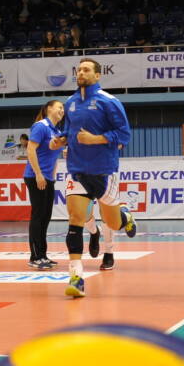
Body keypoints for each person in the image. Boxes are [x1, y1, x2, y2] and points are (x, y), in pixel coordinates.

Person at [60, 58, 135, 298]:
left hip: (104, 170)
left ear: (98, 75)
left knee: (112, 223)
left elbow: (124, 134)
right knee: (75, 219)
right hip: (77, 170)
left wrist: (96, 139)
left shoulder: (109, 101)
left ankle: (124, 216)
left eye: (86, 69)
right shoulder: (70, 102)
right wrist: (59, 140)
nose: (80, 73)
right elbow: (68, 131)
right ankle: (76, 278)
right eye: (79, 69)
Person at [23, 100, 67, 270]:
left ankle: (42, 255)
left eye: (63, 108)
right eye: (59, 107)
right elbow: (30, 150)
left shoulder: (57, 131)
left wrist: (52, 177)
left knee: (46, 217)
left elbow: (54, 156)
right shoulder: (41, 126)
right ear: (49, 109)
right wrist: (38, 174)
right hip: (35, 177)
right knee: (38, 216)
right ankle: (35, 257)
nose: (62, 110)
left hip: (48, 178)